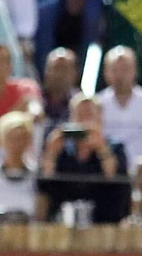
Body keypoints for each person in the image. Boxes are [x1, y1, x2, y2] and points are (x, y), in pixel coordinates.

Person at [38, 92, 130, 224]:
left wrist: (101, 148)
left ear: (100, 118)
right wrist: (51, 152)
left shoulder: (115, 147)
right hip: (63, 221)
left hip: (105, 222)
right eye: (79, 115)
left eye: (89, 114)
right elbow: (45, 184)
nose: (83, 120)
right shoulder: (62, 149)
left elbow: (114, 178)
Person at [98, 45, 142, 173]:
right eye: (114, 70)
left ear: (135, 71)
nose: (119, 75)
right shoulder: (96, 105)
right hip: (107, 176)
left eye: (125, 69)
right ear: (105, 72)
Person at [0, 109, 37, 216]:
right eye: (12, 138)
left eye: (22, 138)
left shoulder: (37, 173)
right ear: (2, 139)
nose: (17, 143)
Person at [38, 47, 78, 128]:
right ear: (46, 71)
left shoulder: (80, 103)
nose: (60, 74)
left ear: (75, 73)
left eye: (65, 69)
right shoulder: (35, 99)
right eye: (56, 68)